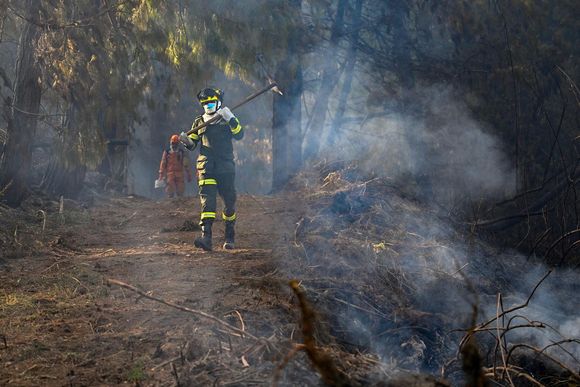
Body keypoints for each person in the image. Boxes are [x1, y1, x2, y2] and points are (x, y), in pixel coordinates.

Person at [180, 87, 243, 251]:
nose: (208, 106)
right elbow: (193, 144)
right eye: (205, 103)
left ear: (219, 102)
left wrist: (231, 119)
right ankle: (206, 238)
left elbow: (239, 134)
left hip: (225, 167)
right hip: (206, 166)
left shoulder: (226, 118)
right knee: (207, 203)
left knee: (229, 203)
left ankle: (229, 237)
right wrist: (186, 141)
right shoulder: (199, 121)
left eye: (211, 103)